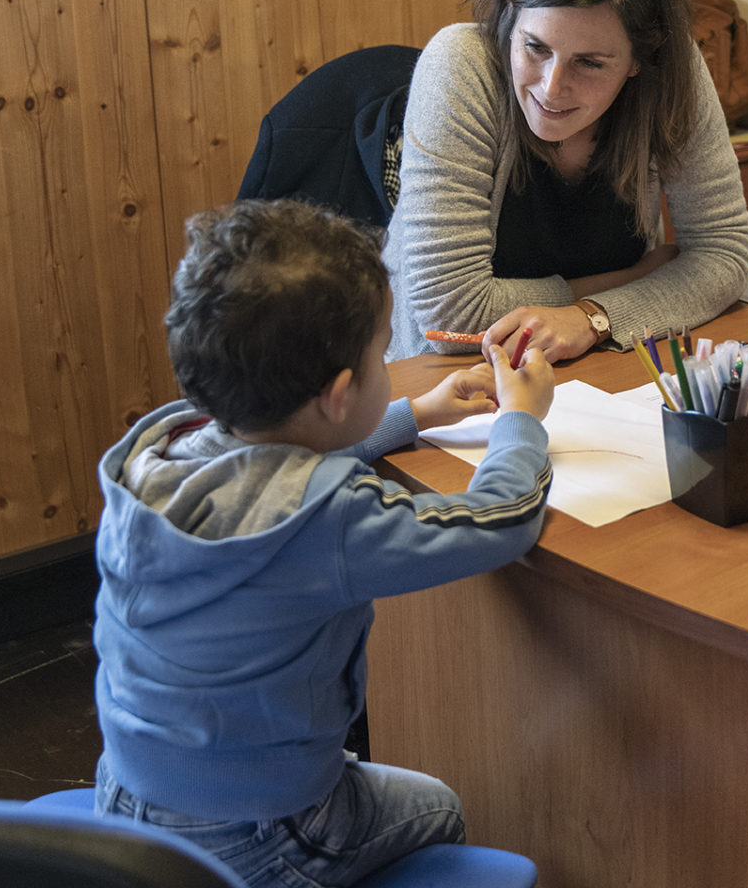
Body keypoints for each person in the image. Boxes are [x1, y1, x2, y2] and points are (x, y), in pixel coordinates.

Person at [91, 198, 554, 887]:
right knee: (439, 807)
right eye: (381, 353)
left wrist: (412, 415)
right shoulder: (329, 519)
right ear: (340, 393)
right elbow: (502, 518)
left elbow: (270, 465)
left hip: (125, 799)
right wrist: (523, 418)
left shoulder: (162, 452)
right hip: (261, 834)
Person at [385, 0, 748, 364]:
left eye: (590, 63)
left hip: (599, 369)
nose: (551, 87)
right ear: (509, 9)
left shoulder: (673, 73)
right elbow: (450, 317)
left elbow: (724, 252)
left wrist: (591, 319)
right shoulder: (460, 64)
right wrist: (624, 282)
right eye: (535, 47)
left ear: (644, 55)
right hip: (455, 378)